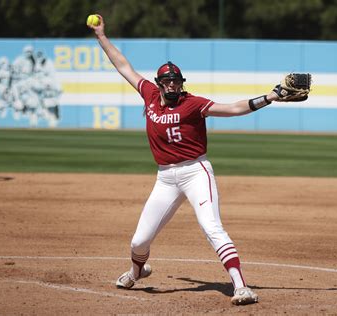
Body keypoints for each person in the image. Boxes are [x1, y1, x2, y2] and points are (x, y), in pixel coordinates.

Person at [88, 14, 304, 306]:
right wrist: (101, 36)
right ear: (160, 84)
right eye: (168, 82)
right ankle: (136, 271)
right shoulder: (149, 95)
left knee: (211, 227)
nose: (173, 87)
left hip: (195, 172)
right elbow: (123, 65)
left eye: (176, 82)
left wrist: (269, 97)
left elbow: (233, 109)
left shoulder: (194, 104)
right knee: (139, 241)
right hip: (165, 178)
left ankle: (241, 287)